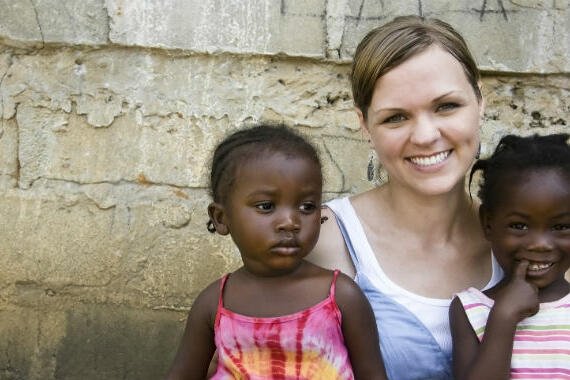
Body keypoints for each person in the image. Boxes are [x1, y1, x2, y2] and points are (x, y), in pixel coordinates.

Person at [307, 15, 504, 379]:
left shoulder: (530, 238)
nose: (426, 135)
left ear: (480, 100)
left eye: (446, 106)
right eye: (396, 117)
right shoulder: (321, 237)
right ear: (364, 125)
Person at [166, 124, 388, 380]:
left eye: (307, 206)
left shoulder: (341, 297)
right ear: (221, 218)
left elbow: (373, 374)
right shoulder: (214, 304)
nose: (290, 222)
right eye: (266, 206)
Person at [450, 133, 570, 380]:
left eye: (560, 227)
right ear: (488, 224)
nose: (539, 245)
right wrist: (503, 318)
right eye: (519, 226)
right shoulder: (472, 311)